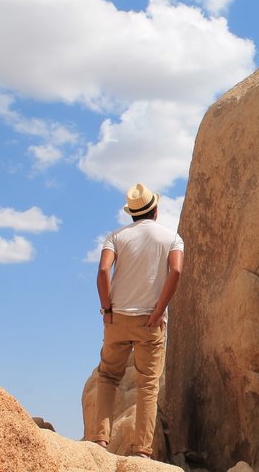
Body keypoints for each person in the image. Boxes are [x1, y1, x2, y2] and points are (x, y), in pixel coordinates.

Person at [92, 183, 184, 458]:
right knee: (147, 384)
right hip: (151, 321)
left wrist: (107, 309)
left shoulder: (116, 237)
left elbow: (103, 270)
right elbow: (176, 270)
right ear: (155, 210)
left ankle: (99, 440)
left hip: (117, 318)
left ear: (131, 213)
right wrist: (159, 311)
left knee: (108, 376)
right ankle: (142, 451)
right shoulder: (172, 239)